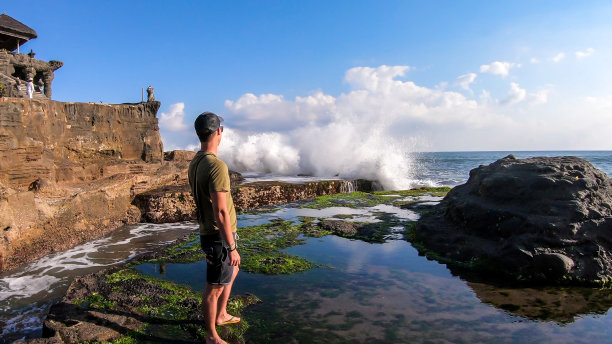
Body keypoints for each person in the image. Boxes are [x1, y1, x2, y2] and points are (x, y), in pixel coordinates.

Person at [188, 112, 241, 344]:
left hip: (213, 234)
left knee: (233, 270)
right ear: (218, 131)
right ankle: (212, 336)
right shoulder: (216, 166)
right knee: (214, 287)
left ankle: (221, 314)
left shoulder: (196, 161)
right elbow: (220, 212)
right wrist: (231, 246)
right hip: (218, 237)